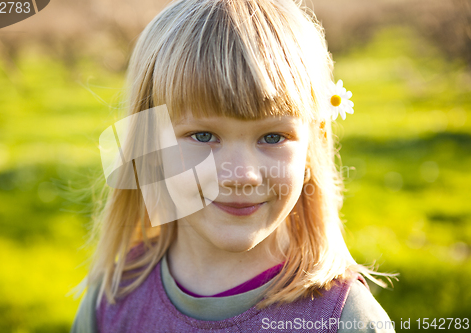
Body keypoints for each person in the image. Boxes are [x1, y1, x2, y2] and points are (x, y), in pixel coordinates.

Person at [70, 0, 397, 331]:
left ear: (312, 145)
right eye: (203, 135)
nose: (241, 175)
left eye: (272, 137)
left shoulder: (345, 320)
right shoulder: (112, 302)